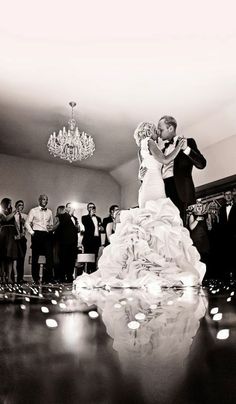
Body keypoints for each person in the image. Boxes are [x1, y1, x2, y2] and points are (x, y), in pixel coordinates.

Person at [74, 122, 205, 290]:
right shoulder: (149, 142)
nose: (157, 131)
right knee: (158, 223)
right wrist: (179, 146)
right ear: (148, 131)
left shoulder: (143, 147)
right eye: (154, 128)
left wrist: (140, 175)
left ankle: (150, 265)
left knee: (152, 224)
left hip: (148, 186)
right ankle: (158, 267)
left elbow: (143, 169)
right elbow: (164, 159)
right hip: (153, 186)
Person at [140, 116, 206, 226]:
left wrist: (186, 149)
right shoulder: (160, 150)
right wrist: (142, 174)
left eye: (161, 130)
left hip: (181, 192)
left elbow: (202, 164)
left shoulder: (188, 142)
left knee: (184, 229)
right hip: (163, 191)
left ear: (170, 128)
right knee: (167, 229)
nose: (159, 133)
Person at [25, 194, 54, 284]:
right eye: (44, 199)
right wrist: (33, 233)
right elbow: (27, 223)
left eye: (47, 199)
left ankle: (47, 278)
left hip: (46, 235)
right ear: (39, 200)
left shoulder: (49, 212)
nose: (45, 201)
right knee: (35, 257)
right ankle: (36, 278)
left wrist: (50, 230)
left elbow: (51, 224)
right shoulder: (33, 211)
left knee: (49, 257)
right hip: (37, 234)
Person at [0, 198, 21, 283]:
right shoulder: (1, 212)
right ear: (5, 204)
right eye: (9, 203)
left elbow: (15, 224)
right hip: (4, 235)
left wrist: (18, 233)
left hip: (11, 236)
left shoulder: (11, 213)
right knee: (2, 257)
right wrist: (15, 211)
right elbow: (6, 219)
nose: (10, 205)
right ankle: (2, 277)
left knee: (10, 257)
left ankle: (9, 277)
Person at [81, 203, 103, 273]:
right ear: (88, 209)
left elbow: (100, 228)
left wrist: (102, 228)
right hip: (88, 241)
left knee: (95, 257)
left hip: (96, 240)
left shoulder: (98, 218)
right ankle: (87, 273)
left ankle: (93, 272)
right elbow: (87, 226)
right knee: (88, 258)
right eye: (90, 207)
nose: (92, 208)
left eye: (93, 207)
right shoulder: (84, 218)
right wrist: (90, 215)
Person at [188, 199, 210, 266]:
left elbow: (209, 227)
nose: (199, 207)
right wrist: (197, 220)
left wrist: (209, 222)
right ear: (195, 207)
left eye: (201, 206)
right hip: (196, 239)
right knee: (197, 257)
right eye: (198, 206)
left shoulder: (205, 215)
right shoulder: (192, 216)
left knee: (205, 256)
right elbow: (191, 227)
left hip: (204, 239)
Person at [14, 200, 28, 283]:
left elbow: (30, 226)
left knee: (21, 259)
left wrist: (25, 223)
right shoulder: (12, 216)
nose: (21, 206)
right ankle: (11, 277)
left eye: (22, 205)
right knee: (12, 258)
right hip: (14, 239)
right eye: (19, 205)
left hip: (22, 239)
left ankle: (20, 278)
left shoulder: (25, 216)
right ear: (16, 206)